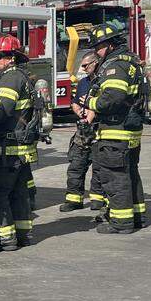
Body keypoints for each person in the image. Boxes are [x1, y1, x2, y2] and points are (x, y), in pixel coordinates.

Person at [85, 23, 148, 233]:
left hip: (115, 130)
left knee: (115, 177)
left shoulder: (115, 66)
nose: (97, 52)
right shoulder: (131, 62)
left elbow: (112, 99)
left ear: (110, 44)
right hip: (129, 129)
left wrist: (91, 104)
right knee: (130, 174)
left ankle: (121, 223)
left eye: (99, 47)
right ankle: (136, 216)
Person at [0, 35, 37, 250]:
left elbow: (1, 111)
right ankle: (22, 234)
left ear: (12, 59)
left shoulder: (10, 78)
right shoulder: (20, 76)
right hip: (19, 147)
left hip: (7, 148)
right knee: (19, 193)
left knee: (0, 194)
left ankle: (4, 239)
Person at [59, 49, 103, 212]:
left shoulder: (103, 80)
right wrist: (79, 111)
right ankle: (74, 199)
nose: (83, 69)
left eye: (86, 66)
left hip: (99, 130)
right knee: (76, 165)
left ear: (95, 63)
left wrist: (90, 115)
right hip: (83, 129)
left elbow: (103, 104)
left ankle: (97, 199)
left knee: (98, 167)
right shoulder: (84, 82)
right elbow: (75, 102)